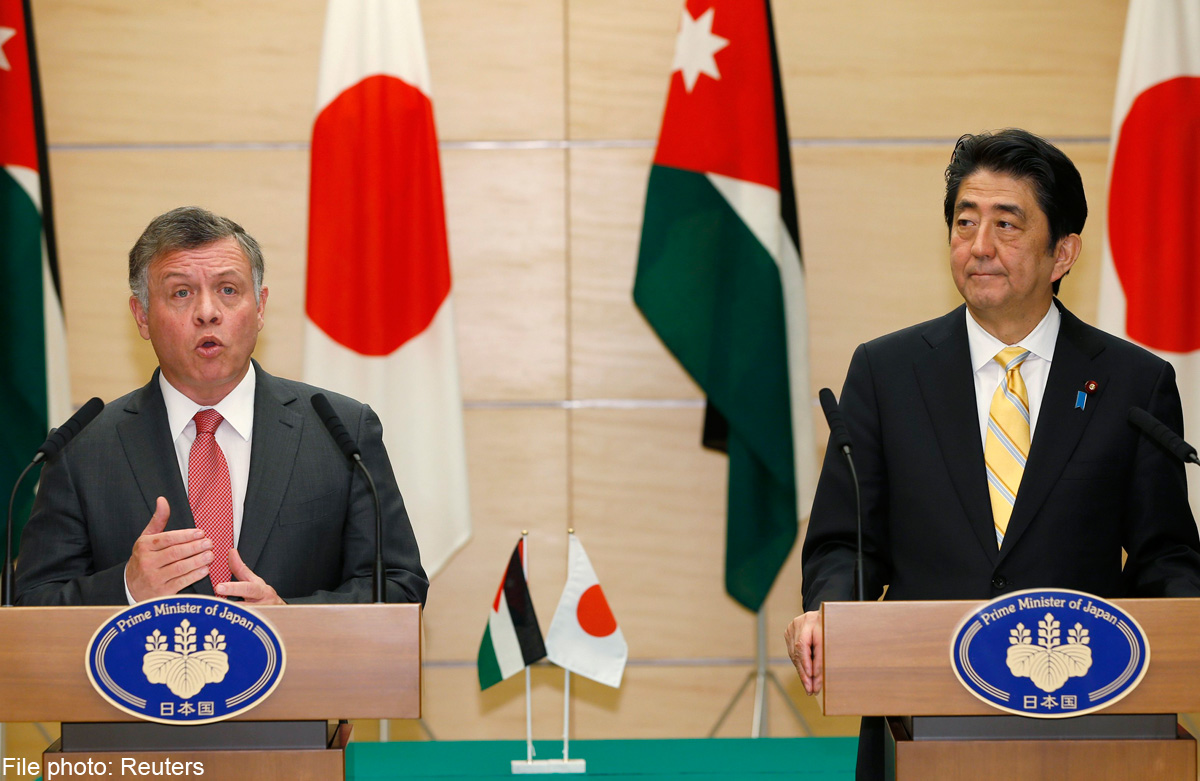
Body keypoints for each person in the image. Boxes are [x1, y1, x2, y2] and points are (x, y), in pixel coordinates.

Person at [784, 129, 1200, 779]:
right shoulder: (887, 373)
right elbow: (846, 543)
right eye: (965, 221)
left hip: (1089, 726)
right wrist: (828, 613)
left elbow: (1165, 556)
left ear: (1063, 253)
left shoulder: (1132, 384)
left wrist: (1189, 623)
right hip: (920, 721)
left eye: (1007, 224)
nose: (979, 246)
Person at [15, 206, 428, 606]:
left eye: (228, 290)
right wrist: (127, 588)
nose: (207, 313)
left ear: (260, 306)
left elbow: (400, 586)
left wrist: (289, 619)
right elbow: (32, 603)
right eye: (181, 292)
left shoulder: (340, 432)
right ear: (141, 315)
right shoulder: (81, 450)